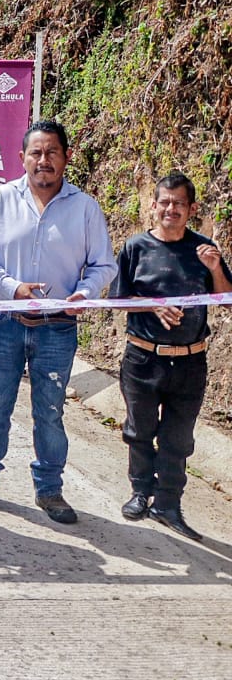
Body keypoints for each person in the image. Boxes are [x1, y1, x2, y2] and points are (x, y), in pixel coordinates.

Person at [0, 119, 117, 524]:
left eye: (52, 152)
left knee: (50, 411)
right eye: (36, 152)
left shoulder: (84, 208)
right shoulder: (0, 200)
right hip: (3, 323)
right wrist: (11, 288)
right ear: (22, 157)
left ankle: (50, 490)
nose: (43, 160)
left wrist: (85, 291)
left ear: (66, 157)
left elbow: (103, 264)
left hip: (58, 327)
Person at [110, 172, 231, 541]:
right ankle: (140, 492)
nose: (171, 209)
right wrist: (153, 306)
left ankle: (168, 503)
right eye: (165, 201)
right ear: (153, 205)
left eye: (179, 203)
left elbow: (225, 298)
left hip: (191, 361)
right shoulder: (136, 248)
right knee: (139, 431)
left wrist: (215, 269)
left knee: (178, 439)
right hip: (143, 359)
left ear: (191, 209)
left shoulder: (204, 250)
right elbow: (117, 298)